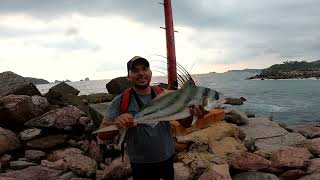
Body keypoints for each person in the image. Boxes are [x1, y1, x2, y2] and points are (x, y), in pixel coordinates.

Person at [98, 56, 205, 180]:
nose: (141, 73)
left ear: (150, 72)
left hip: (167, 159)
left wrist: (194, 114)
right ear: (128, 76)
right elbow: (102, 134)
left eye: (145, 69)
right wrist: (118, 124)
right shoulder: (121, 100)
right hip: (140, 163)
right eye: (135, 70)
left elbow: (185, 123)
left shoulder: (166, 95)